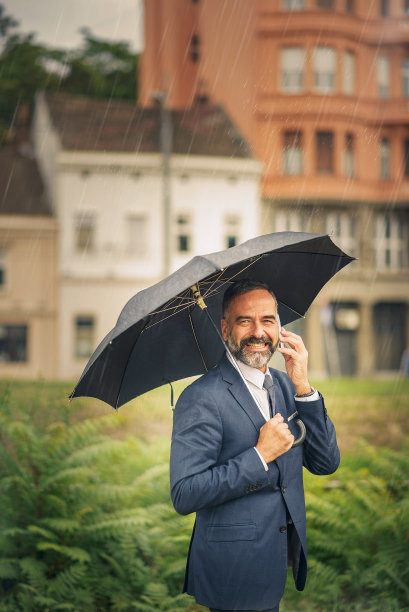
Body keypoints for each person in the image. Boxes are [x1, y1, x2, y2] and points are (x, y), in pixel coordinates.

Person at [169, 279, 340, 612]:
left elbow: (326, 463)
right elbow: (185, 493)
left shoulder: (287, 384)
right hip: (233, 569)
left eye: (268, 320)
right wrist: (260, 455)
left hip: (275, 557)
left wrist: (303, 386)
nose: (257, 331)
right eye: (244, 320)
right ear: (225, 328)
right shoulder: (202, 397)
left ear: (280, 327)